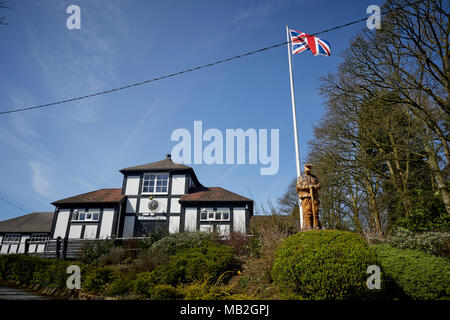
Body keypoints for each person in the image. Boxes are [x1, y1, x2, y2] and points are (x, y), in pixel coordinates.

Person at [296, 164, 321, 230]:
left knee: (315, 211)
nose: (308, 172)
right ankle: (308, 227)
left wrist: (314, 186)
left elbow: (319, 185)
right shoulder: (301, 178)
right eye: (307, 170)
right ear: (304, 170)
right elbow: (298, 186)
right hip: (306, 196)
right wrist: (306, 187)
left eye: (309, 171)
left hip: (314, 196)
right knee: (308, 211)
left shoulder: (314, 177)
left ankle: (316, 225)